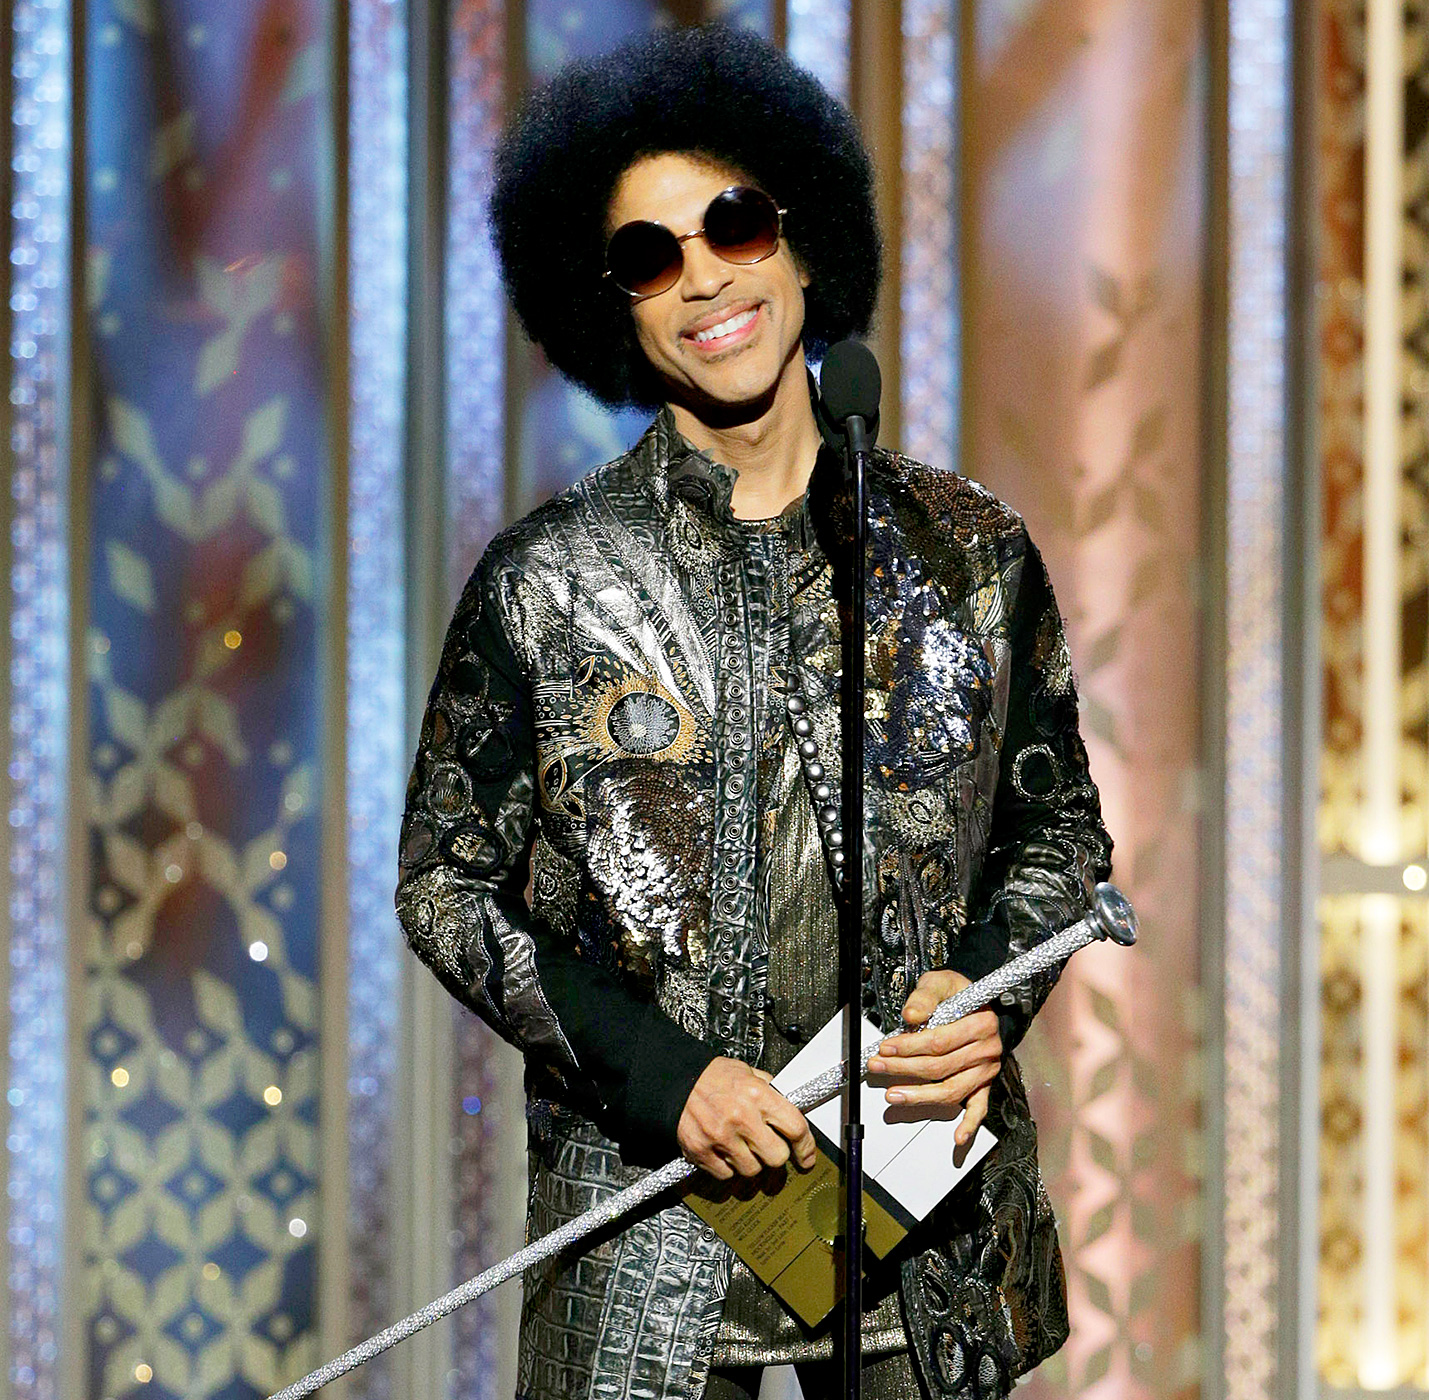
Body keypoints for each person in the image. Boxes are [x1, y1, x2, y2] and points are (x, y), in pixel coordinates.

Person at [395, 24, 1112, 1400]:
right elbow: (445, 885)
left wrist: (985, 993)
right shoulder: (548, 584)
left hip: (922, 1245)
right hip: (646, 1249)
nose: (707, 277)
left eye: (734, 223)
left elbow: (1059, 834)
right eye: (648, 256)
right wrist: (665, 1077)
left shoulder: (967, 554)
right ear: (609, 304)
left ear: (802, 240)